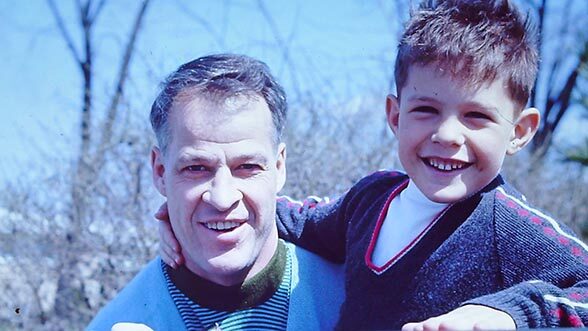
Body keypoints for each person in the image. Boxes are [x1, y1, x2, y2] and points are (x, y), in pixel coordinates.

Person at [157, 1, 588, 330]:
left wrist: (507, 315)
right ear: (395, 116)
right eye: (426, 110)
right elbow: (295, 218)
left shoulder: (508, 227)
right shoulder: (370, 200)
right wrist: (190, 215)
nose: (448, 135)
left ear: (520, 131)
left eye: (477, 117)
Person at [86, 54, 344, 331]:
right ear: (160, 172)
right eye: (196, 168)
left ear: (279, 168)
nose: (222, 198)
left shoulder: (356, 296)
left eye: (247, 166)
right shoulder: (117, 322)